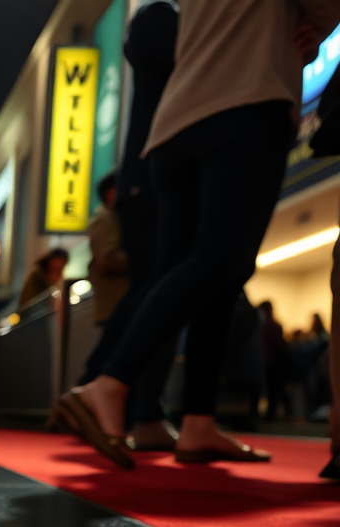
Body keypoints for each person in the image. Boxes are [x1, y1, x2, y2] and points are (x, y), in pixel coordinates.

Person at [60, 0, 340, 469]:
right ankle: (109, 383)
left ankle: (197, 421)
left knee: (198, 269)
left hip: (175, 124)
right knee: (224, 257)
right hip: (246, 100)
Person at [75, 0, 181, 453]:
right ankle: (106, 388)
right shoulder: (160, 20)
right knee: (161, 286)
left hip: (149, 173)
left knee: (155, 286)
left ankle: (105, 390)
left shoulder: (153, 22)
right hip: (156, 174)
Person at [87, 172, 130, 326]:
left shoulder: (111, 217)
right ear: (111, 192)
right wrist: (142, 260)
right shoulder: (105, 217)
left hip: (115, 306)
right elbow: (107, 259)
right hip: (114, 304)